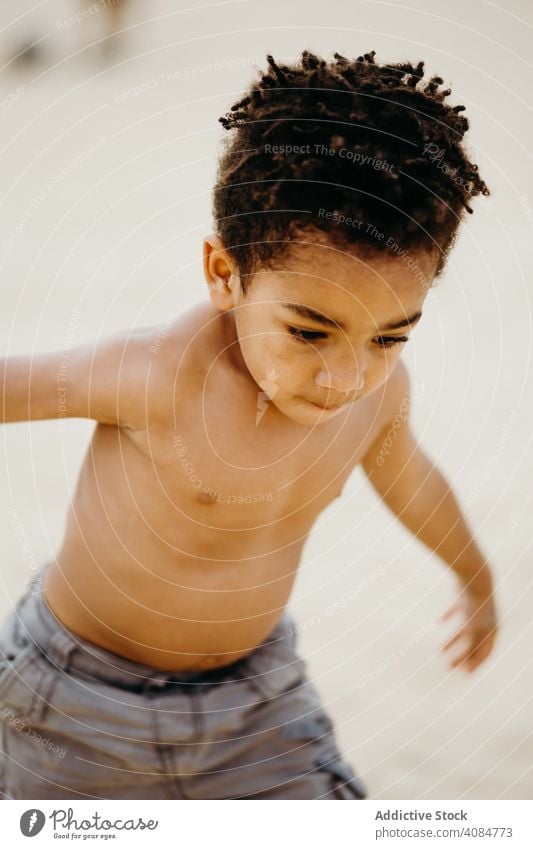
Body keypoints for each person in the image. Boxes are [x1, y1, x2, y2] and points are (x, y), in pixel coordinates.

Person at [0, 50, 498, 800]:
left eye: (390, 336)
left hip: (255, 697)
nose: (346, 376)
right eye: (308, 331)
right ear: (223, 273)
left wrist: (475, 575)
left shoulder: (377, 397)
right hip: (76, 697)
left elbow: (413, 482)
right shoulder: (159, 376)